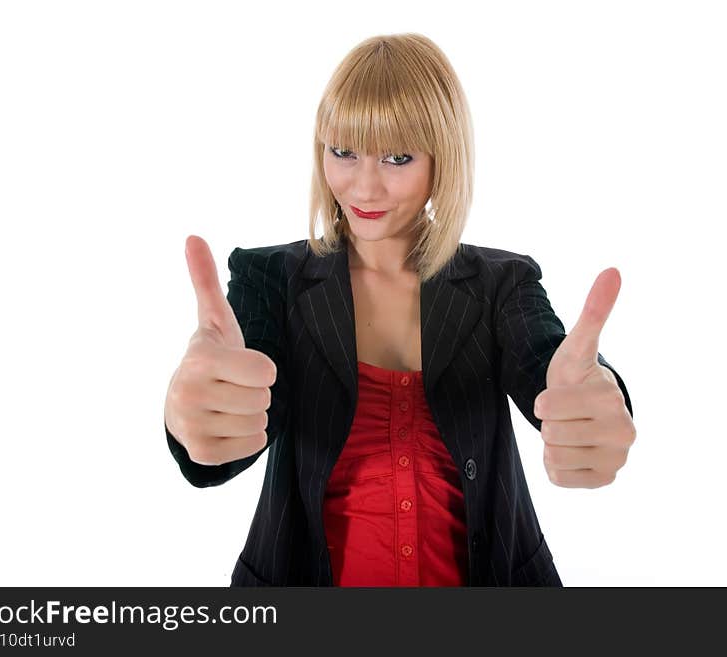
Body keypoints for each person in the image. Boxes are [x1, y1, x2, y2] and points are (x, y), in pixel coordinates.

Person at [163, 33, 636, 587]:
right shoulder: (271, 280)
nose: (364, 184)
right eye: (344, 151)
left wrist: (590, 402)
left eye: (397, 157)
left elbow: (553, 372)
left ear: (444, 158)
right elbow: (229, 430)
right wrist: (194, 416)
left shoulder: (502, 282)